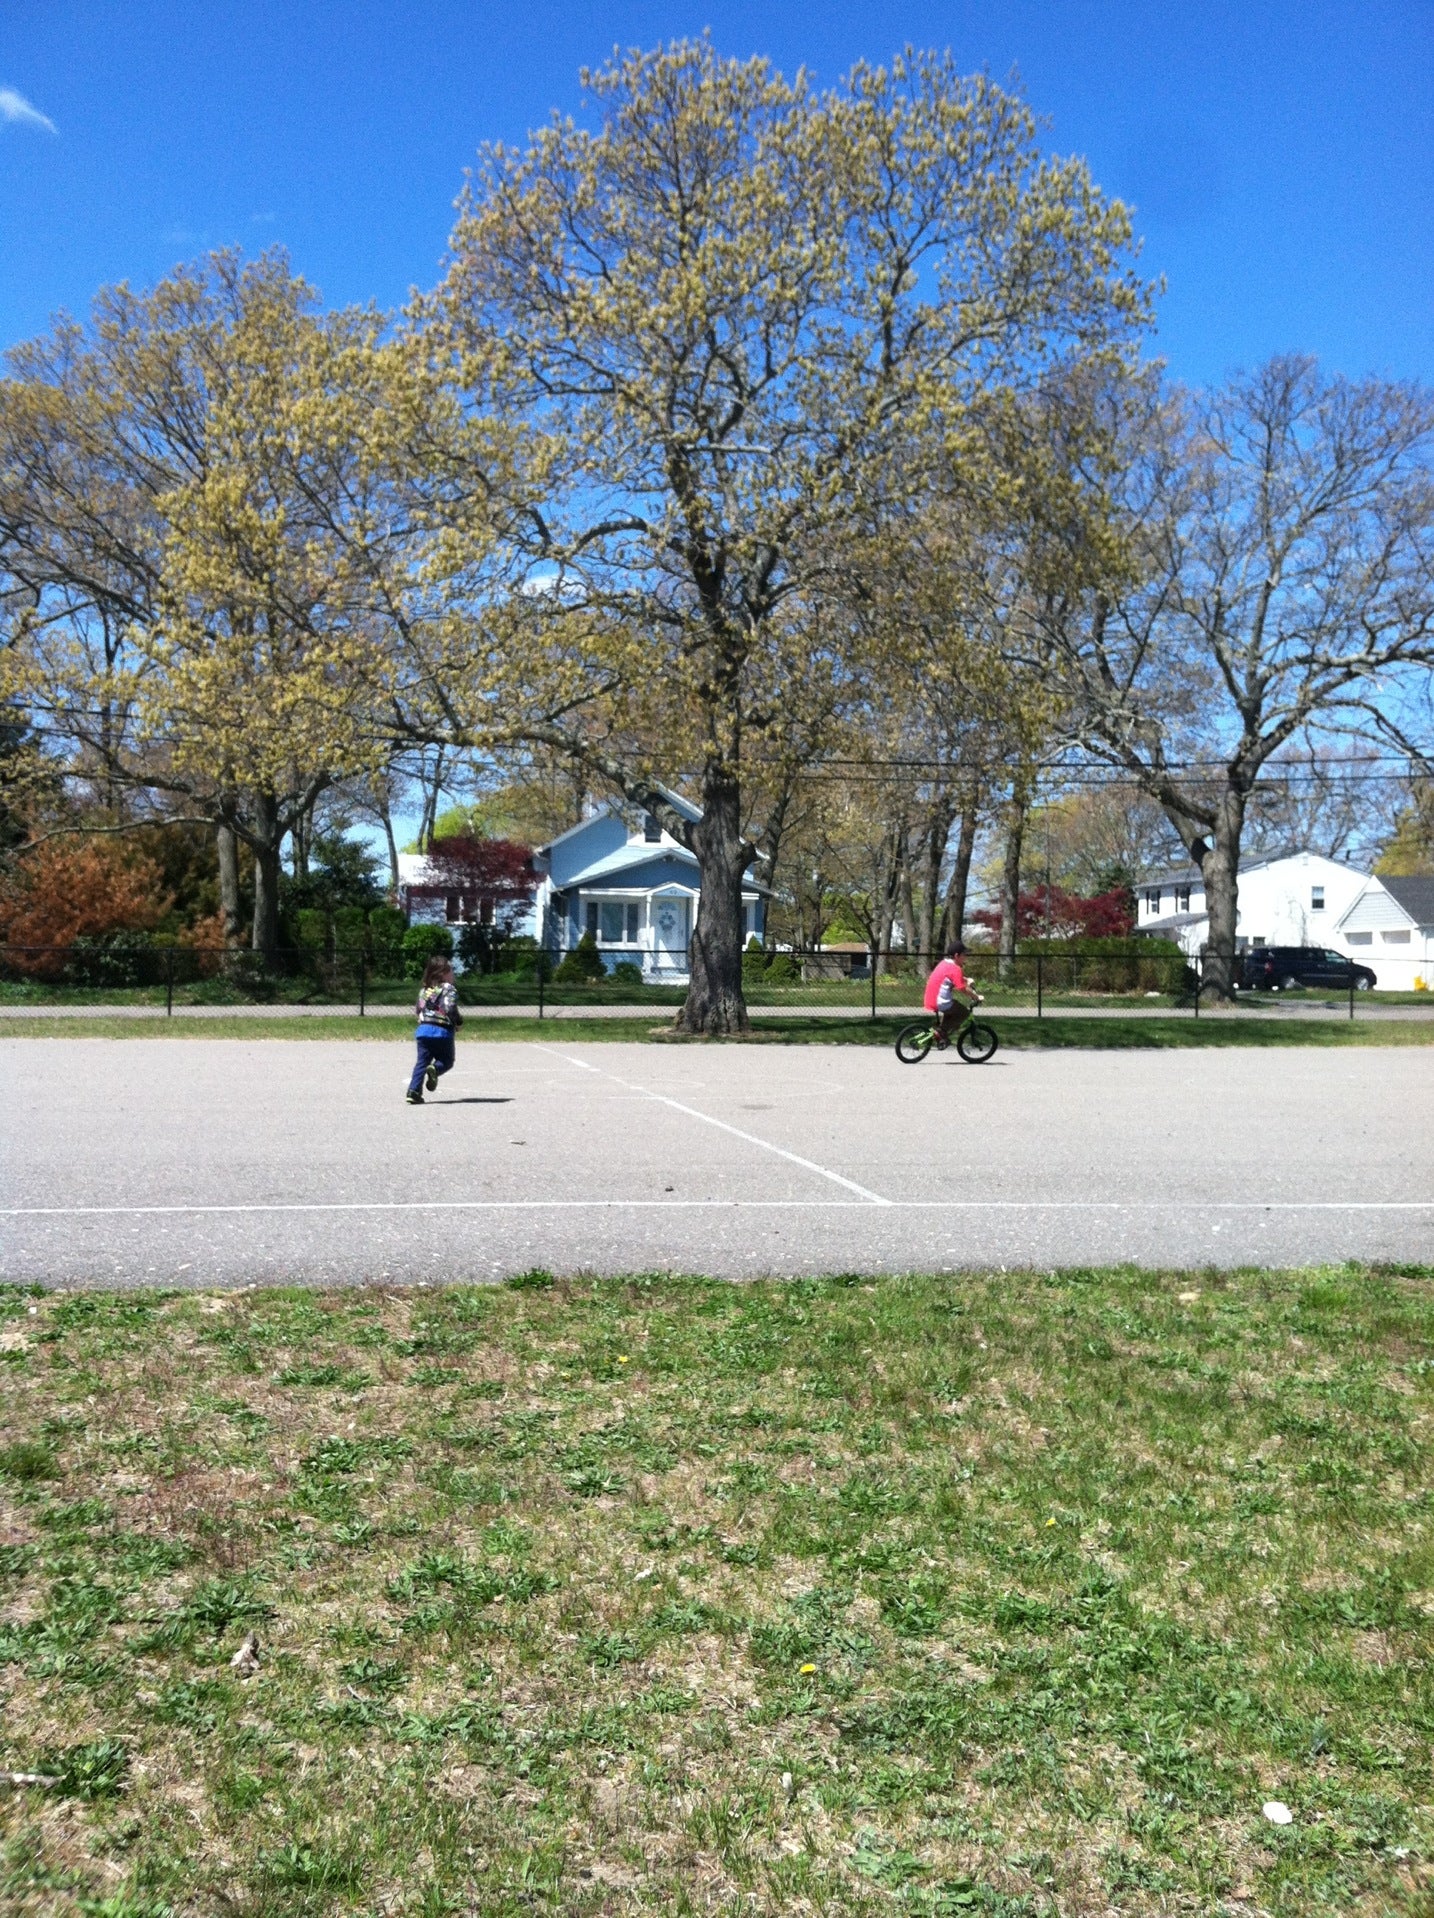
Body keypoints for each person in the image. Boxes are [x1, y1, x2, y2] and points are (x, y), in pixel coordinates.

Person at [406, 954, 463, 1104]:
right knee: (447, 1060)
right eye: (451, 970)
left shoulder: (424, 990)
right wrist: (458, 1022)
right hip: (442, 1031)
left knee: (421, 1063)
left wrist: (422, 1018)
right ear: (443, 973)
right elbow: (450, 1007)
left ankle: (413, 1092)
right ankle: (435, 1069)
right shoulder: (449, 988)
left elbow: (418, 1010)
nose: (453, 974)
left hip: (423, 1031)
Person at [924, 940, 977, 1047]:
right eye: (964, 955)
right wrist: (975, 997)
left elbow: (951, 977)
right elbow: (962, 988)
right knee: (964, 1013)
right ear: (957, 956)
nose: (966, 957)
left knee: (952, 1009)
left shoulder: (944, 963)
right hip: (940, 1002)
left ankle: (941, 1035)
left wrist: (966, 979)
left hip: (930, 998)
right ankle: (940, 1032)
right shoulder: (956, 969)